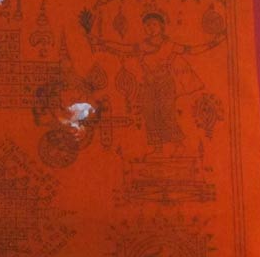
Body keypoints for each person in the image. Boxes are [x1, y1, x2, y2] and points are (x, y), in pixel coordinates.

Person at [87, 12, 224, 155]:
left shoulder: (169, 45)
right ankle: (157, 148)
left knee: (166, 113)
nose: (150, 28)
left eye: (154, 24)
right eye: (147, 25)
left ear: (161, 26)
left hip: (165, 84)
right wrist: (103, 43)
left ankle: (179, 145)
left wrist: (214, 43)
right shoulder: (143, 46)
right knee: (150, 114)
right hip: (149, 85)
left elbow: (192, 50)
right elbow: (124, 48)